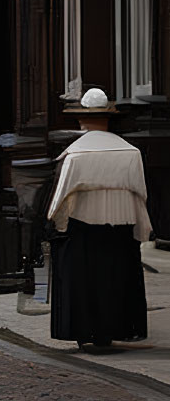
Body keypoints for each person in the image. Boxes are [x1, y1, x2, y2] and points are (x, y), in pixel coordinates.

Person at [46, 87, 153, 350]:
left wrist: (56, 225)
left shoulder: (76, 155)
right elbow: (140, 195)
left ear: (81, 120)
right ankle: (112, 331)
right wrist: (141, 229)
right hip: (121, 228)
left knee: (84, 284)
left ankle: (85, 332)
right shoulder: (130, 153)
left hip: (82, 228)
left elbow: (60, 202)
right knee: (116, 282)